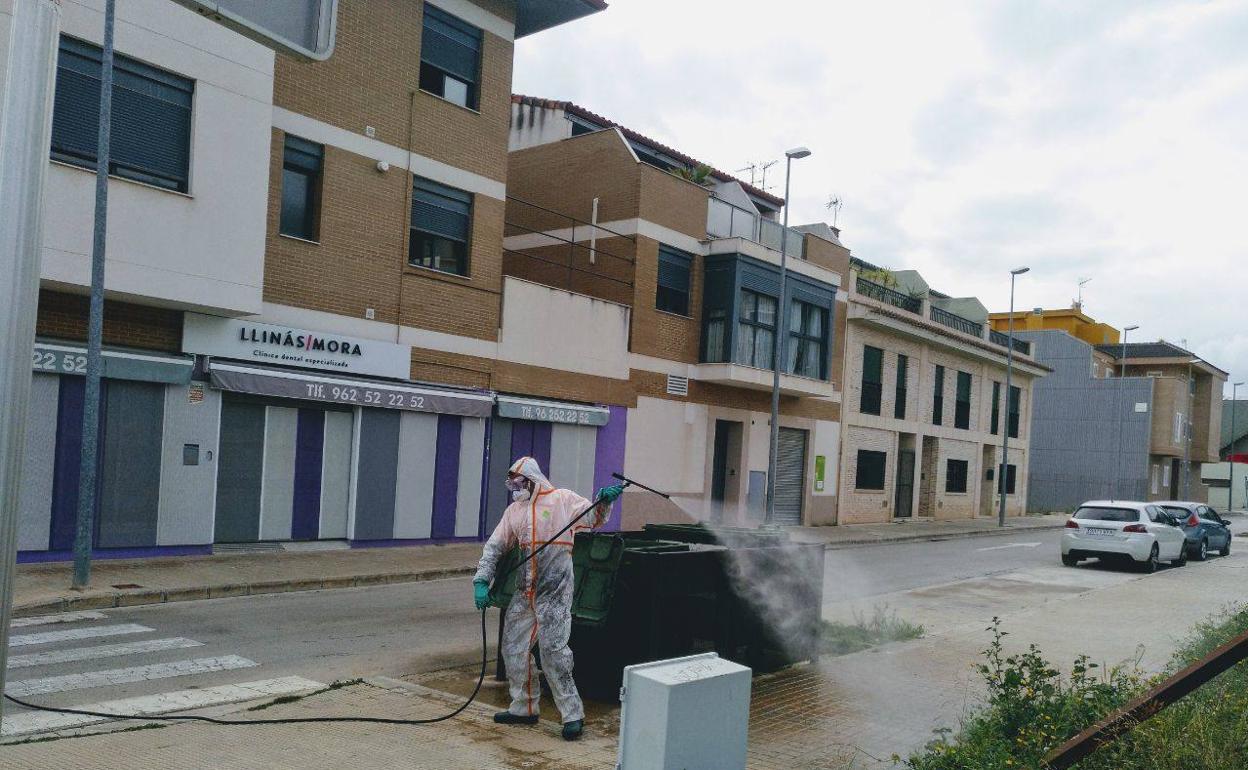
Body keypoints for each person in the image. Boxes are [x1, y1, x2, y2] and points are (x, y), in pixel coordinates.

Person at [472, 457, 623, 741]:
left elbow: (593, 518)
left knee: (554, 652)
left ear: (532, 480)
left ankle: (572, 714)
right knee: (513, 648)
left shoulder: (562, 500)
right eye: (511, 484)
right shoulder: (514, 511)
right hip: (524, 589)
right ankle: (524, 707)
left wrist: (602, 502)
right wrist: (481, 579)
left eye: (518, 483)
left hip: (554, 590)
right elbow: (495, 547)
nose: (514, 488)